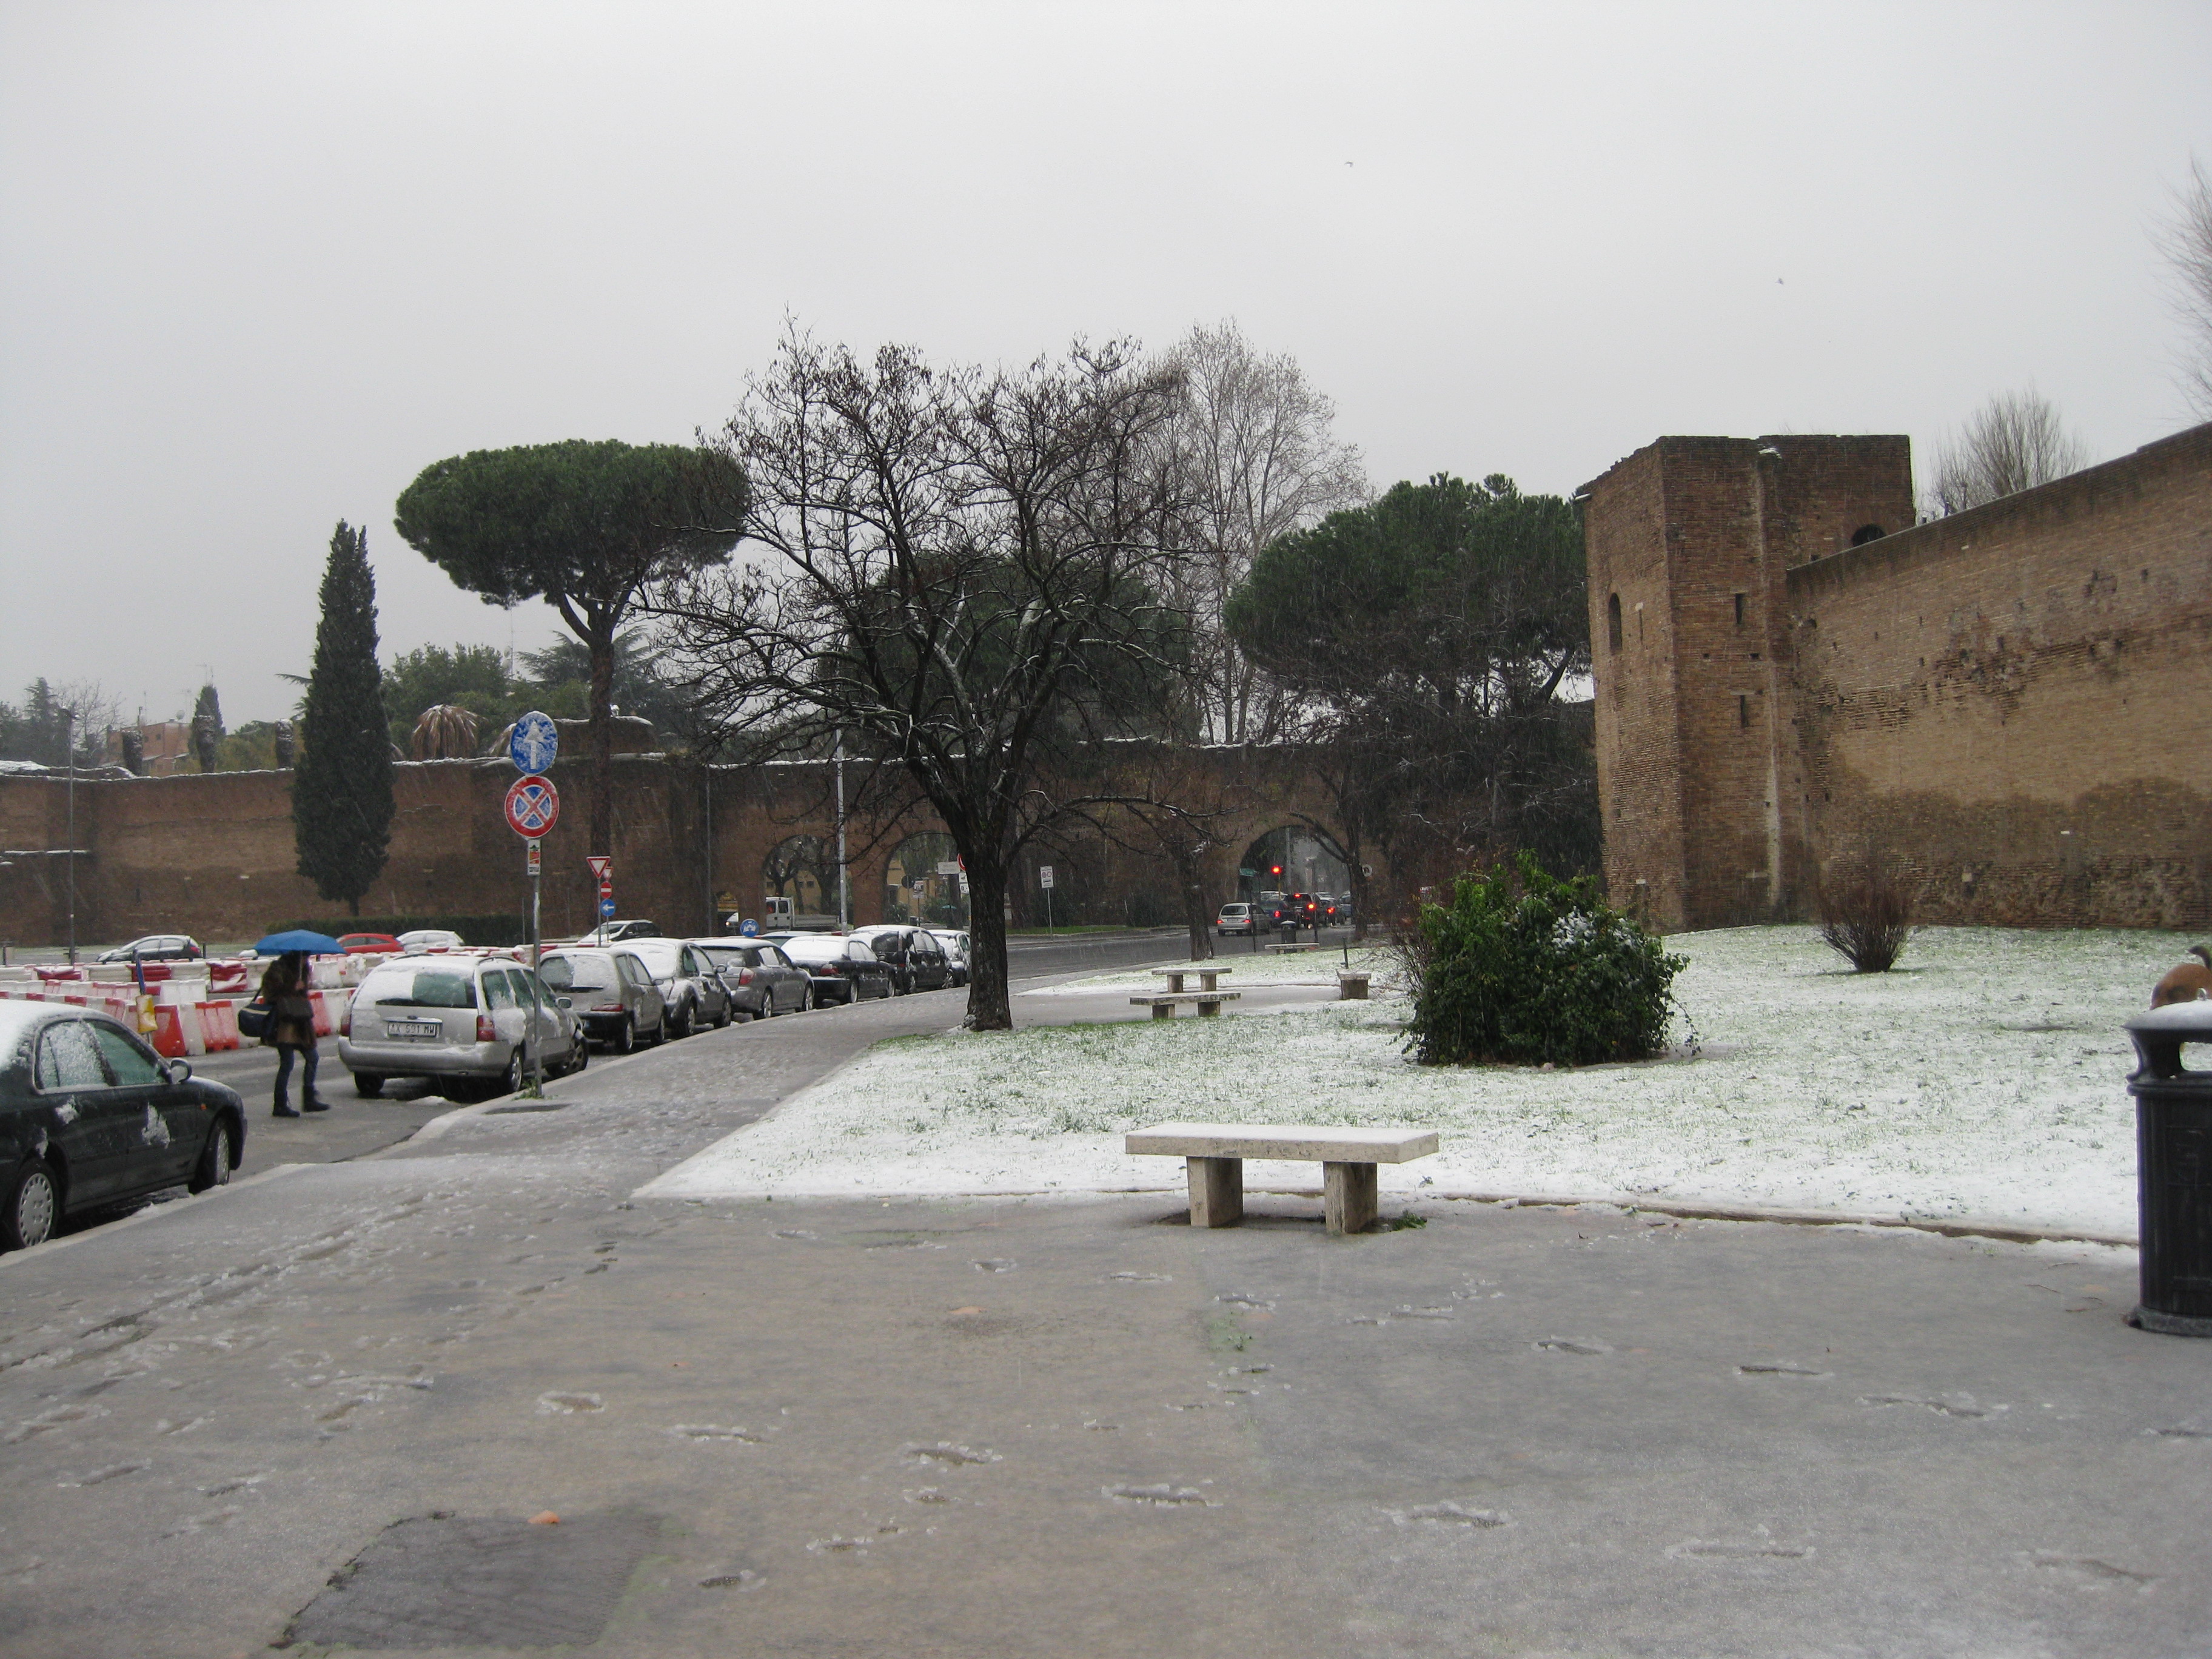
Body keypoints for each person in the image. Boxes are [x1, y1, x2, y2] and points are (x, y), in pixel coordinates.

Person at [258, 950, 327, 1117]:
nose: (306, 961)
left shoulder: (303, 970)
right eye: (304, 958)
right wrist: (291, 987)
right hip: (285, 1023)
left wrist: (302, 986)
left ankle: (309, 1097)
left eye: (307, 958)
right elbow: (270, 993)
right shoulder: (278, 969)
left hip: (301, 1022)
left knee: (313, 1058)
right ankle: (280, 1104)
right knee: (287, 1064)